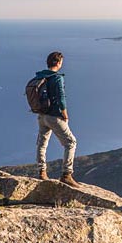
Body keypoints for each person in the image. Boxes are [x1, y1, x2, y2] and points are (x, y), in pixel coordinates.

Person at [34, 51, 80, 187]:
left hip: (42, 116)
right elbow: (61, 98)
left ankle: (41, 172)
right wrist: (65, 114)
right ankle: (66, 174)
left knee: (42, 143)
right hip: (54, 116)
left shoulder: (40, 76)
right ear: (59, 63)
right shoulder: (57, 78)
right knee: (71, 142)